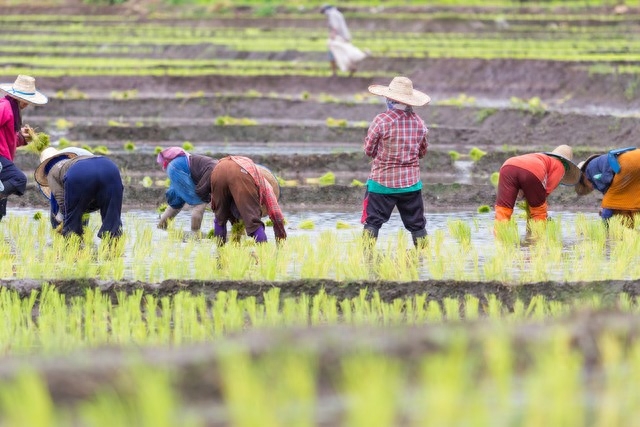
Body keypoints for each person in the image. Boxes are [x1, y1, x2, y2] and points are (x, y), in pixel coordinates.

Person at [361, 76, 430, 247]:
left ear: (390, 99)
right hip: (410, 184)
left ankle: (366, 257)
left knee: (372, 222)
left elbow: (369, 150)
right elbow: (422, 152)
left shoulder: (382, 120)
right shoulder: (419, 123)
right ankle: (423, 260)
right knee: (417, 225)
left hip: (382, 182)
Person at [34, 147, 123, 238]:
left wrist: (61, 221)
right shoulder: (73, 160)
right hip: (109, 167)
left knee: (72, 231)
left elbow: (62, 201)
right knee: (112, 220)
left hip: (79, 172)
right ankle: (114, 247)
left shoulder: (51, 173)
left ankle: (74, 247)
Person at [0, 75, 48, 221]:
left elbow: (8, 138)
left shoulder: (13, 110)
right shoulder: (4, 106)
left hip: (5, 158)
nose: (27, 104)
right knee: (18, 179)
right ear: (16, 96)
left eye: (29, 101)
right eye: (25, 100)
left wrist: (22, 138)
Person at [210, 155, 286, 245]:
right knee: (254, 223)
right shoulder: (267, 186)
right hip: (239, 172)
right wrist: (281, 238)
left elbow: (218, 204)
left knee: (220, 220)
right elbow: (276, 214)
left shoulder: (252, 176)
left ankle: (219, 253)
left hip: (218, 169)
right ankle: (264, 252)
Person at [494, 144, 581, 222]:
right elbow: (544, 192)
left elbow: (521, 171)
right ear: (566, 162)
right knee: (539, 210)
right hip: (533, 169)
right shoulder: (560, 166)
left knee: (503, 209)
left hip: (508, 166)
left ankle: (499, 237)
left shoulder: (540, 157)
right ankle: (537, 237)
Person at [156, 146, 218, 236]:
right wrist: (207, 199)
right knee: (199, 204)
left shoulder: (213, 164)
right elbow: (202, 189)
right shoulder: (216, 168)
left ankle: (160, 229)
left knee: (175, 204)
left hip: (173, 167)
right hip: (180, 167)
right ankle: (195, 234)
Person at [575, 147, 640, 226]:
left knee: (609, 202)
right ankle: (630, 229)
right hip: (636, 155)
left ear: (583, 175)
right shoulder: (600, 162)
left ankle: (605, 231)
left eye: (585, 184)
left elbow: (607, 184)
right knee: (633, 198)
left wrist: (605, 211)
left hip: (627, 164)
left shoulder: (589, 169)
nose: (592, 187)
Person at [320, 4, 366, 76]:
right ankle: (351, 68)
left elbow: (335, 27)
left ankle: (334, 72)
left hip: (338, 38)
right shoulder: (338, 13)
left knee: (333, 53)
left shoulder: (332, 14)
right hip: (345, 37)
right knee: (345, 52)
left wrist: (332, 37)